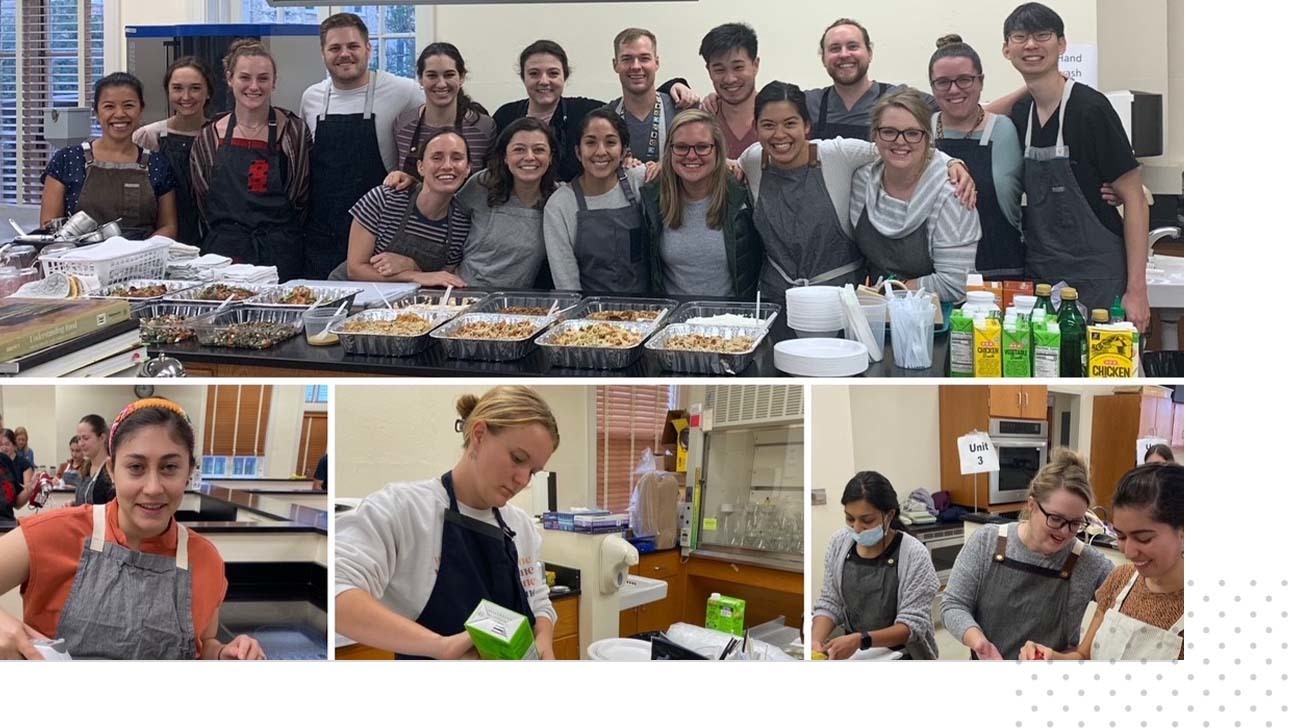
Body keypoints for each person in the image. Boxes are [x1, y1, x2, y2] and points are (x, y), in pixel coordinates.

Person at [0, 399, 265, 660]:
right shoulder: (55, 534)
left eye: (170, 467)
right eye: (136, 467)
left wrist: (222, 654)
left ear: (189, 472)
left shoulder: (205, 559)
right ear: (112, 470)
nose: (153, 488)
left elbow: (204, 643)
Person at [335, 386, 559, 659]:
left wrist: (544, 637)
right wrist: (441, 647)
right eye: (518, 459)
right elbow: (337, 588)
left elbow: (538, 600)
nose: (523, 480)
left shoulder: (521, 527)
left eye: (533, 471)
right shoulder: (404, 510)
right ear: (479, 435)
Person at [738, 82, 973, 301]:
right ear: (755, 128)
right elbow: (729, 165)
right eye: (768, 125)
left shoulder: (837, 154)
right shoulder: (752, 160)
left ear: (807, 125)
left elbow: (898, 148)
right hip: (776, 296)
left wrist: (952, 162)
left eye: (790, 123)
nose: (779, 135)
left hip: (840, 297)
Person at [1004, 2, 1150, 327]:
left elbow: (1136, 199)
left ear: (1062, 44)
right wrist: (1025, 89)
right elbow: (974, 116)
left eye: (1042, 35)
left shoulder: (1090, 109)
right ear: (1006, 49)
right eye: (1020, 37)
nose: (1031, 45)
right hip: (1044, 275)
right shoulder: (1019, 113)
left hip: (1100, 275)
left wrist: (1137, 290)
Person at [941, 448, 1114, 660]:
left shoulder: (1088, 563)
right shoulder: (987, 541)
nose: (1065, 531)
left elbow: (1125, 599)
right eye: (1056, 519)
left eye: (1075, 523)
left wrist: (1079, 654)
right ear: (1032, 505)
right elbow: (953, 604)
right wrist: (979, 642)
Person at [300, 13, 425, 279]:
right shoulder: (311, 98)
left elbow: (437, 126)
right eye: (335, 48)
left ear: (368, 49)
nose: (344, 54)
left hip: (379, 234)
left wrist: (415, 175)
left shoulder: (404, 91)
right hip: (322, 233)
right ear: (323, 53)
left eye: (353, 46)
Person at [1023, 463, 1184, 661]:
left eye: (1144, 538)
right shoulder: (1121, 578)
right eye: (1121, 537)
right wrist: (1051, 658)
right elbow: (1084, 656)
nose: (1129, 552)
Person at [192, 39, 311, 282]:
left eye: (263, 78)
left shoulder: (293, 132)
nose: (254, 87)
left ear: (274, 82)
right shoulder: (209, 136)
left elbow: (301, 196)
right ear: (229, 79)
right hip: (223, 256)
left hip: (281, 253)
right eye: (245, 78)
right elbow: (203, 198)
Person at [849, 90, 983, 303]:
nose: (900, 141)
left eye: (912, 133)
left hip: (936, 323)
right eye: (889, 131)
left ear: (927, 138)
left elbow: (956, 284)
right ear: (874, 134)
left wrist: (886, 291)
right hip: (876, 316)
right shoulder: (862, 182)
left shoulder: (952, 194)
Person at [494, 40, 694, 182]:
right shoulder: (506, 116)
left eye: (553, 73)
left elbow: (637, 97)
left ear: (565, 76)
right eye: (534, 74)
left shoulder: (583, 111)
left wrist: (673, 85)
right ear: (523, 77)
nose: (544, 81)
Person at [812, 471, 939, 660]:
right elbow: (831, 602)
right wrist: (815, 642)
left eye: (867, 520)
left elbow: (912, 625)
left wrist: (861, 640)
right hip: (855, 652)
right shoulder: (839, 544)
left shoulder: (913, 554)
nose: (856, 528)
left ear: (889, 515)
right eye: (850, 518)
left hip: (904, 654)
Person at [928, 35, 1025, 281]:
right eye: (942, 82)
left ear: (980, 82)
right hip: (938, 277)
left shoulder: (1005, 130)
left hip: (1002, 271)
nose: (954, 89)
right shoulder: (922, 130)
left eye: (964, 80)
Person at [39, 72, 178, 240]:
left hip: (142, 261)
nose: (119, 114)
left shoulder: (158, 164)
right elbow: (49, 226)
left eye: (128, 105)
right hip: (78, 261)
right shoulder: (66, 160)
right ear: (96, 112)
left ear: (141, 110)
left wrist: (141, 251)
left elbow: (168, 226)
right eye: (109, 106)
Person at [642, 109, 761, 298]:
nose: (691, 155)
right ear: (669, 152)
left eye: (702, 146)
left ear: (718, 150)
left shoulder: (742, 195)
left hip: (732, 320)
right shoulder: (653, 197)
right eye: (681, 147)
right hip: (674, 322)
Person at [343, 127, 472, 287]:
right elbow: (355, 269)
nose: (447, 166)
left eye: (456, 158)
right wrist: (412, 275)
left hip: (408, 306)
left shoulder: (460, 225)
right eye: (437, 157)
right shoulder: (384, 199)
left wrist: (411, 265)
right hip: (349, 296)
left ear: (467, 168)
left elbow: (441, 280)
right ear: (420, 167)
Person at [544, 109, 650, 293]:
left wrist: (659, 166)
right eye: (591, 142)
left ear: (624, 150)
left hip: (648, 311)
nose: (601, 152)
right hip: (591, 315)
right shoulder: (560, 205)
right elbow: (567, 284)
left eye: (610, 142)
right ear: (578, 152)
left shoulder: (639, 181)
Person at [455, 118, 558, 289]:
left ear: (551, 157)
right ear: (505, 156)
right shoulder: (482, 184)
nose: (529, 157)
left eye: (539, 150)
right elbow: (446, 214)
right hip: (463, 292)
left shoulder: (557, 199)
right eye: (519, 150)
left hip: (514, 305)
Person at [133, 56, 216, 245]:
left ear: (208, 92)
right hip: (160, 239)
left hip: (212, 238)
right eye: (177, 88)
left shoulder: (219, 135)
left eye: (195, 88)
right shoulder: (148, 136)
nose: (186, 97)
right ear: (168, 92)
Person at [394, 43, 496, 177]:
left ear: (461, 77)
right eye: (432, 75)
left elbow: (492, 182)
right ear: (420, 79)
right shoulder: (403, 124)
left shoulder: (484, 127)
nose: (441, 84)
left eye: (449, 75)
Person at [604, 28, 699, 164]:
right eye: (627, 59)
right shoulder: (605, 118)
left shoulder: (682, 110)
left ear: (657, 62)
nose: (636, 66)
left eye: (644, 58)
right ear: (615, 65)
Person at [698, 23, 761, 158]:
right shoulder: (701, 122)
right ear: (709, 71)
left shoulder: (778, 117)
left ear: (755, 65)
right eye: (719, 70)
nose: (730, 79)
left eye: (738, 67)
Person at [75, 414, 113, 506]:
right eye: (79, 439)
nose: (81, 444)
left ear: (102, 438)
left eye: (85, 438)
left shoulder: (111, 470)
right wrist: (74, 505)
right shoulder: (85, 469)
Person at [0, 432, 33, 521]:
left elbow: (17, 503)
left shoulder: (5, 461)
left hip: (7, 522)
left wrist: (29, 489)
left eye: (6, 444)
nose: (3, 447)